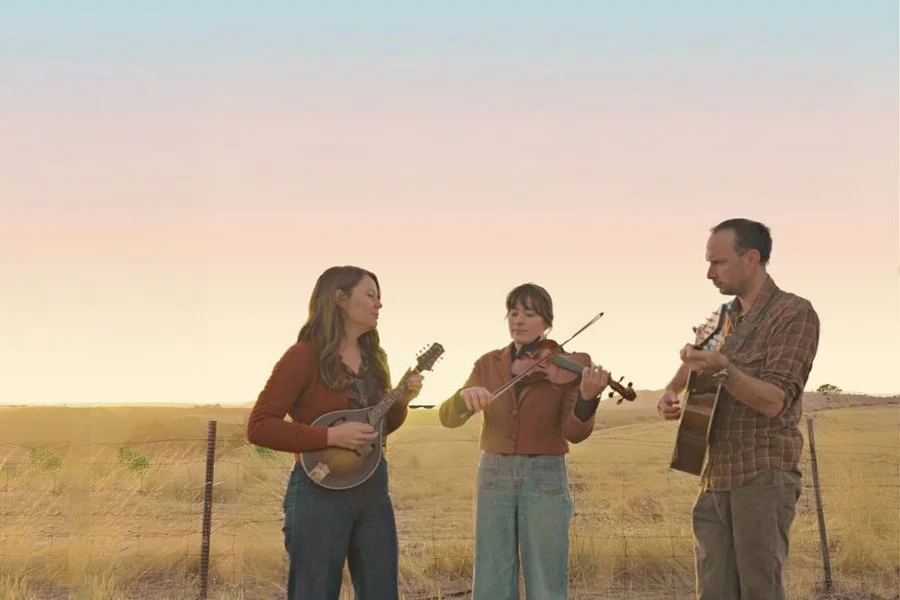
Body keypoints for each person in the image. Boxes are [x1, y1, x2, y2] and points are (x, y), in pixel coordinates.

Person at [657, 218, 820, 600]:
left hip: (761, 474)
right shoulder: (722, 316)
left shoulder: (793, 314)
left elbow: (775, 400)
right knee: (713, 590)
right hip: (714, 477)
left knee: (759, 590)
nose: (709, 272)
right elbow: (694, 360)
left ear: (751, 259)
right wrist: (671, 390)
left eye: (718, 262)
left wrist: (725, 370)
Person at [246, 265, 424, 600]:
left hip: (374, 491)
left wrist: (404, 399)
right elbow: (259, 426)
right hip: (319, 491)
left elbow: (379, 429)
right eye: (370, 295)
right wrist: (329, 438)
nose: (379, 304)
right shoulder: (303, 356)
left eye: (379, 297)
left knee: (381, 593)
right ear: (340, 298)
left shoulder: (375, 359)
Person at [437, 282, 610, 600]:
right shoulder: (488, 364)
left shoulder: (566, 365)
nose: (518, 320)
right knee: (491, 571)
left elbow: (574, 432)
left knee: (546, 573)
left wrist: (587, 398)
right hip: (493, 473)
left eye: (529, 314)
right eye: (513, 312)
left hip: (544, 474)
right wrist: (464, 398)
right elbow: (448, 417)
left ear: (546, 321)